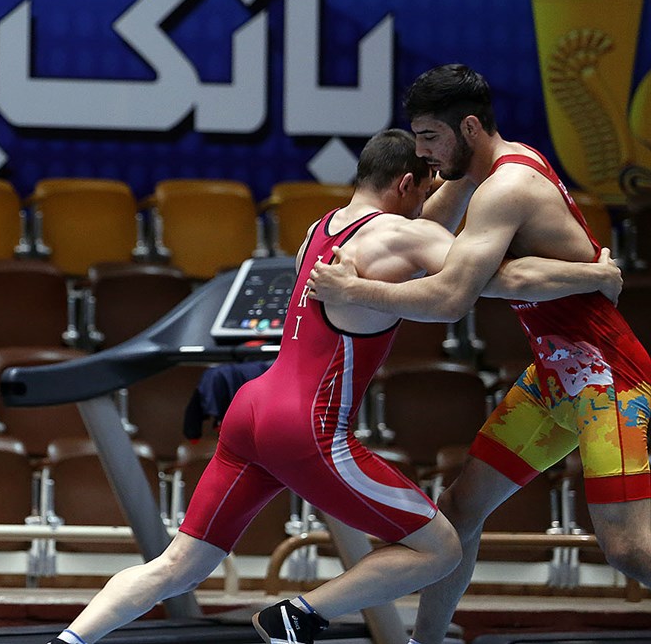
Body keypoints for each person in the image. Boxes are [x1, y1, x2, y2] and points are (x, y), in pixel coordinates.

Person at [45, 129, 619, 644]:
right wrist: (593, 273)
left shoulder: (318, 230)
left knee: (178, 566)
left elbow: (427, 230)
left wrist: (457, 185)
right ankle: (298, 616)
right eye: (424, 189)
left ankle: (70, 642)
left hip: (252, 411)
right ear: (405, 184)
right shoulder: (400, 236)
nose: (428, 203)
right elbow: (504, 278)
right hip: (307, 429)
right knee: (441, 548)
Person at [307, 64, 651, 644]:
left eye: (430, 138)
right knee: (459, 511)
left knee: (628, 548)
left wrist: (355, 290)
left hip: (608, 380)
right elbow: (427, 238)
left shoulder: (506, 187)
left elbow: (448, 298)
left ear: (468, 127)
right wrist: (578, 273)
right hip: (557, 377)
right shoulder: (482, 174)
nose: (422, 155)